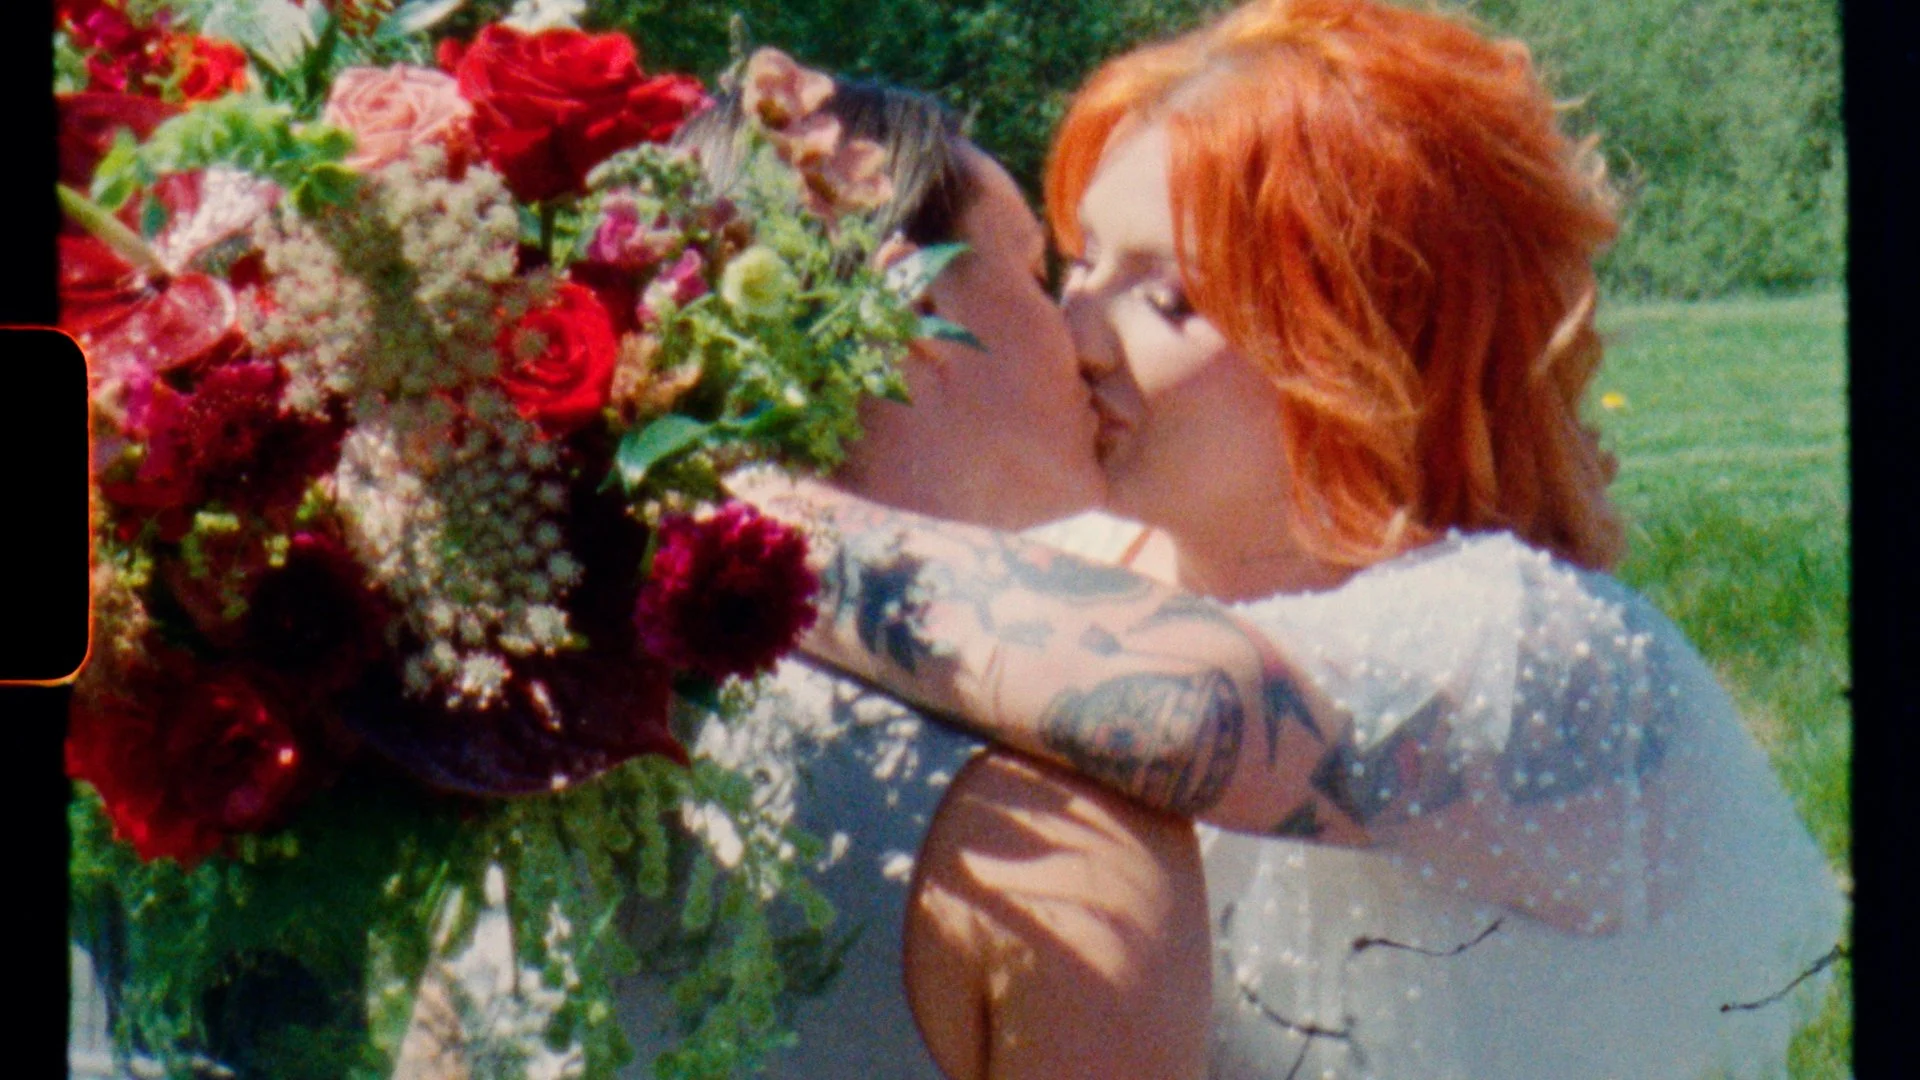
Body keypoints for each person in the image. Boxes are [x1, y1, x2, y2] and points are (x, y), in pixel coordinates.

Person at [733, 1, 1847, 1077]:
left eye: (1167, 298)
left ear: (1360, 341)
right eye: (1080, 263)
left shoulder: (1541, 648)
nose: (1078, 332)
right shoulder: (1090, 562)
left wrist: (746, 526)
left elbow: (1189, 712)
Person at [388, 74, 1213, 1080]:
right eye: (1038, 273)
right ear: (910, 304)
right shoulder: (1065, 849)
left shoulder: (535, 759)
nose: (1084, 336)